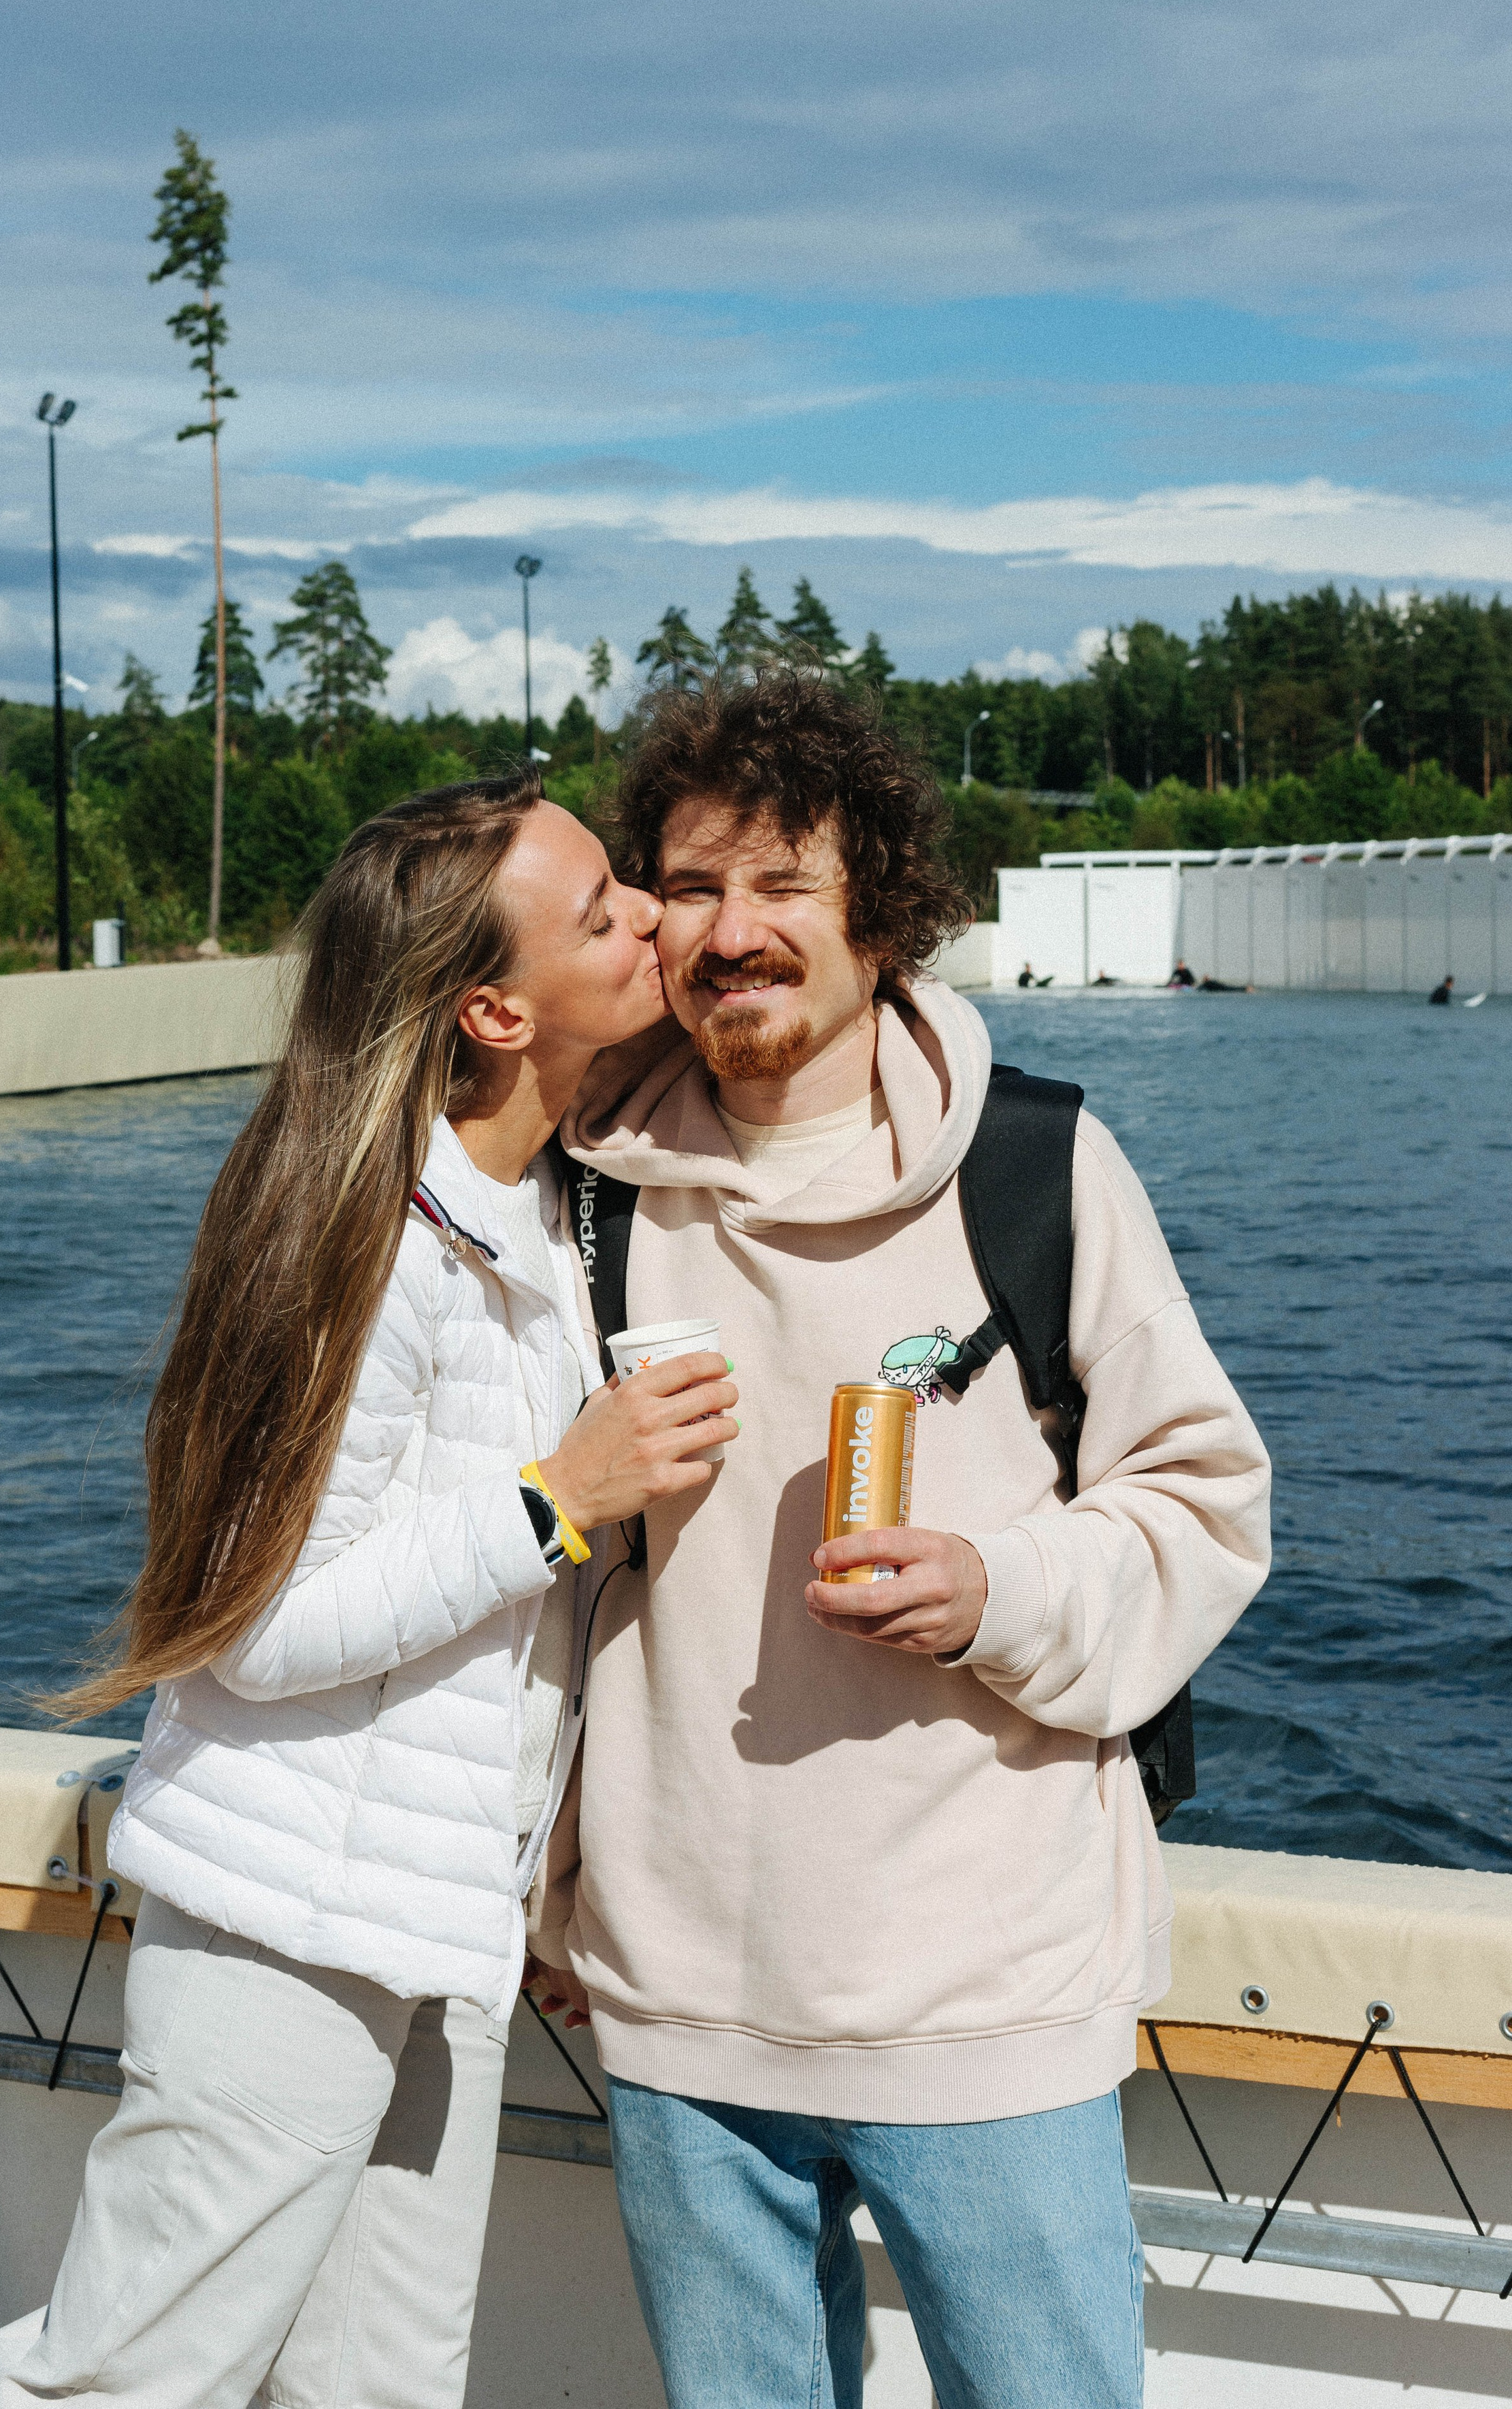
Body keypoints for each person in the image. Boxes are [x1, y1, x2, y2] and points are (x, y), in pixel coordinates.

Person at [0, 770, 736, 2409]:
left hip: (432, 1929)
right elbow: (256, 1621)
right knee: (125, 2379)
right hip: (279, 1933)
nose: (653, 916)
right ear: (494, 1011)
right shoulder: (371, 1239)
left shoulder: (543, 1210)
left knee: (376, 2392)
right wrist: (557, 1498)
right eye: (606, 911)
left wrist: (538, 1867)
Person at [533, 673, 1271, 2409]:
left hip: (986, 1998)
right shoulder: (583, 1195)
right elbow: (537, 1586)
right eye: (694, 888)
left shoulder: (1037, 1169)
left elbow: (1203, 1499)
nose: (734, 934)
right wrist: (553, 1884)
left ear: (883, 907)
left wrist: (994, 1590)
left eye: (784, 886)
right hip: (673, 1997)